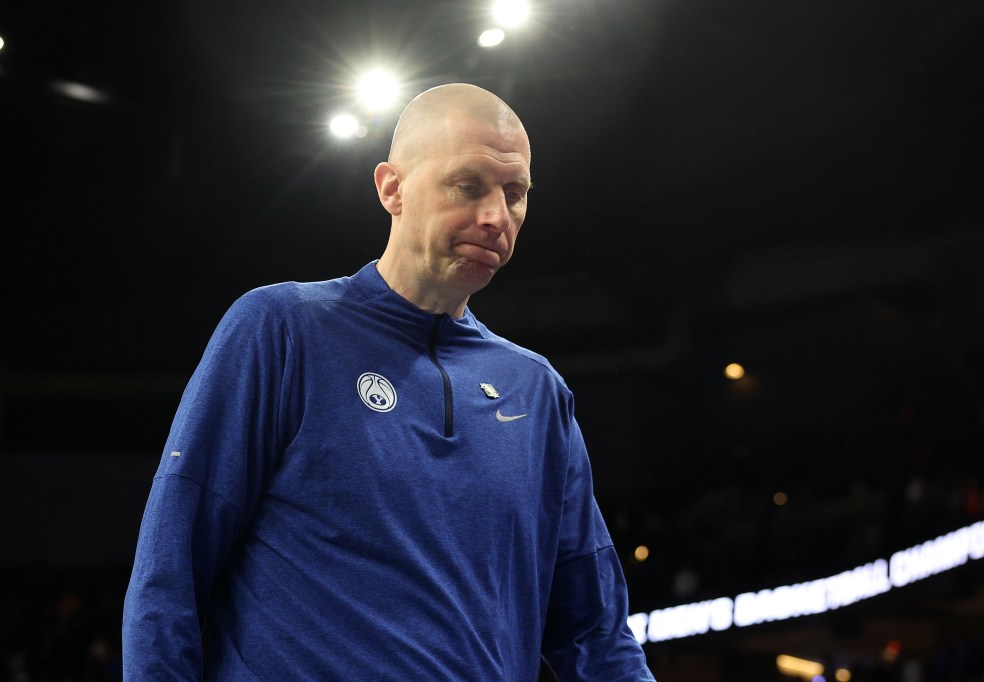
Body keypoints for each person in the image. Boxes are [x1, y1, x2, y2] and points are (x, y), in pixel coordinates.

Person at [122, 83, 656, 681]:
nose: (495, 217)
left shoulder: (536, 391)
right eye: (468, 186)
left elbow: (595, 634)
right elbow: (170, 573)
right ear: (392, 189)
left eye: (515, 194)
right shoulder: (282, 329)